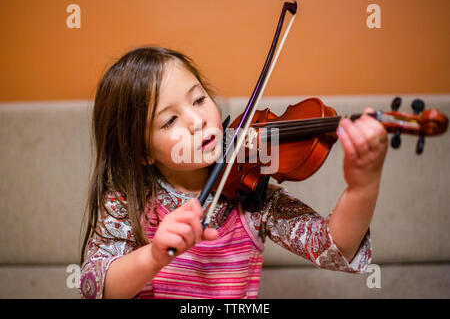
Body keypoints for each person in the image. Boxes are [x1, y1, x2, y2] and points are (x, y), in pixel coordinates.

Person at [79, 46, 388, 299]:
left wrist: (362, 185)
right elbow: (95, 286)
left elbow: (333, 246)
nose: (197, 120)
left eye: (199, 99)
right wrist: (154, 256)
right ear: (142, 151)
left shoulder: (252, 195)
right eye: (170, 120)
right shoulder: (125, 200)